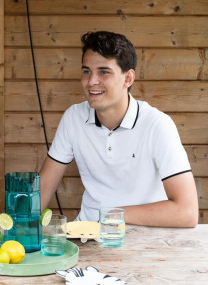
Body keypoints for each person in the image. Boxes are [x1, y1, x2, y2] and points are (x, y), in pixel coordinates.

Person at [38, 31, 198, 227]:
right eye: (87, 71)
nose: (91, 82)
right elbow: (42, 191)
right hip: (87, 237)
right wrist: (16, 231)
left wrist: (114, 215)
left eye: (103, 72)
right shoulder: (73, 117)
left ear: (128, 79)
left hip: (144, 239)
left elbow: (187, 212)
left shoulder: (157, 125)